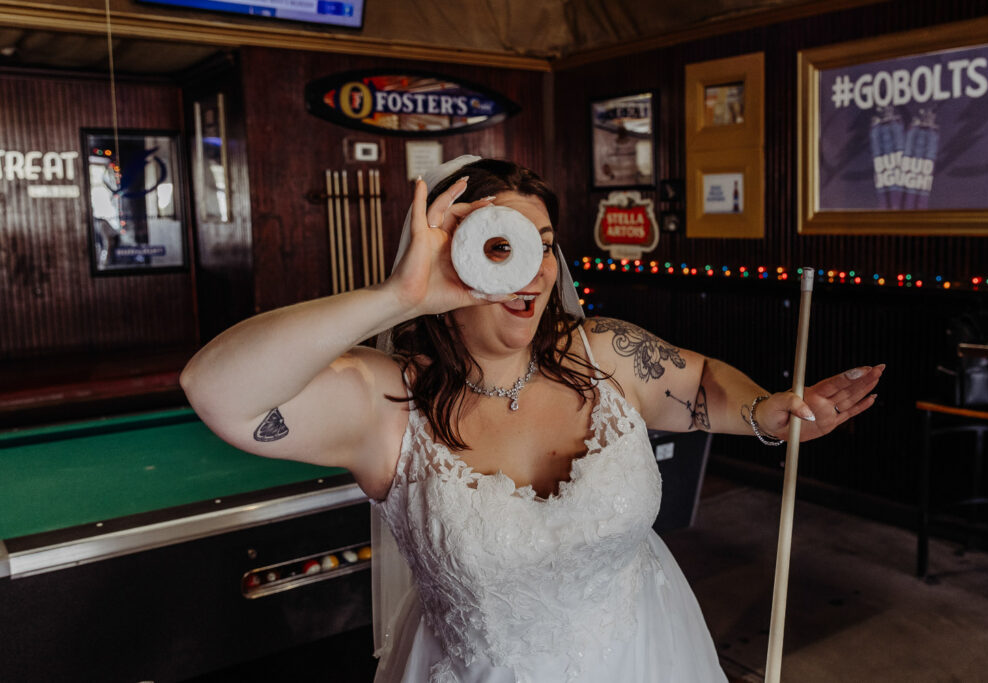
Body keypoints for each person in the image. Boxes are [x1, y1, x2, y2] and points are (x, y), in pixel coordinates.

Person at [180, 156, 883, 682]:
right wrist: (398, 296)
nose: (536, 269)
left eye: (544, 243)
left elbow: (700, 383)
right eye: (502, 246)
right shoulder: (386, 406)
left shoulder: (601, 352)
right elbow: (215, 390)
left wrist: (767, 410)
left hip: (649, 655)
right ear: (451, 257)